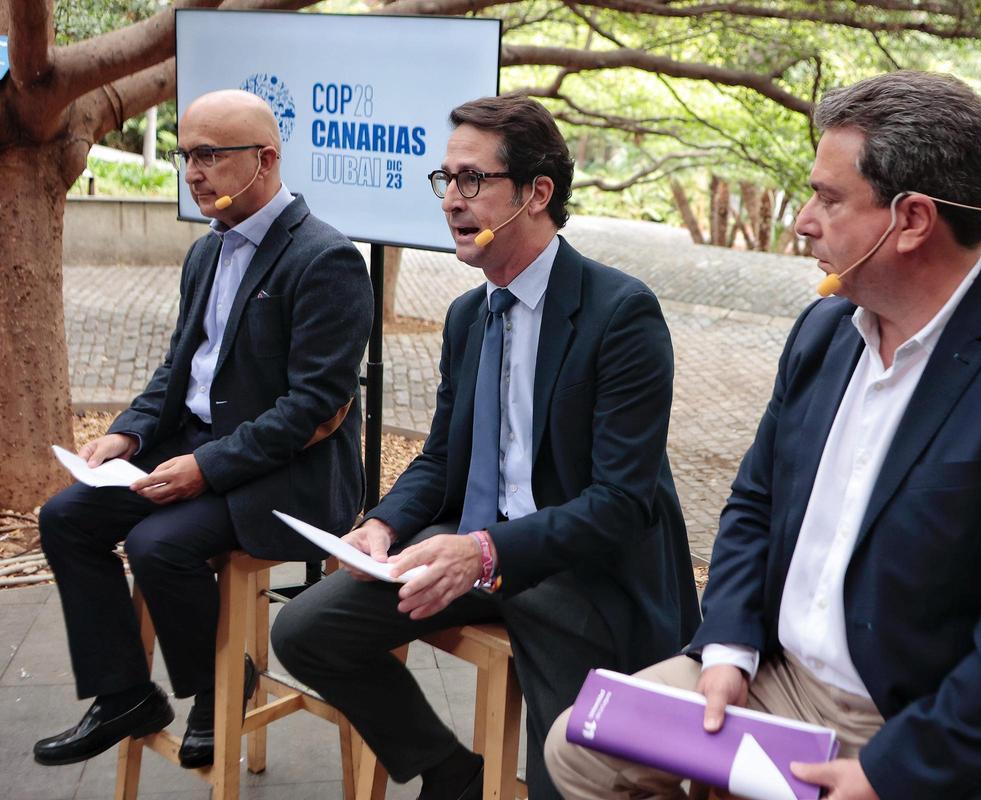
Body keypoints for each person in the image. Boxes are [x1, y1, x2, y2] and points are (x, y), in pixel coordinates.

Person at [545, 70, 981, 800]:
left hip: (918, 725)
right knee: (580, 746)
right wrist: (727, 646)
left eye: (828, 197)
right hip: (774, 678)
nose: (801, 219)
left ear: (912, 219)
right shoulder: (825, 332)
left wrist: (888, 774)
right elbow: (755, 501)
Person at [271, 95, 700, 800]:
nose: (451, 201)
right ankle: (448, 770)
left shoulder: (621, 313)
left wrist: (486, 553)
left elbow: (621, 505)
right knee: (306, 628)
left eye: (472, 180)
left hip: (580, 567)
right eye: (446, 180)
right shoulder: (470, 313)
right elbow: (442, 459)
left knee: (571, 771)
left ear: (537, 193)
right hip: (476, 546)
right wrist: (383, 524)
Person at [34, 89, 373, 770]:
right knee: (66, 517)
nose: (193, 170)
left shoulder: (326, 260)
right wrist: (128, 435)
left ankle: (223, 686)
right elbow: (178, 370)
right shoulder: (206, 253)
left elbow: (311, 408)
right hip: (198, 446)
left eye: (210, 155)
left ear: (266, 159)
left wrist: (204, 468)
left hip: (289, 473)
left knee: (159, 544)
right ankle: (125, 692)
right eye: (185, 154)